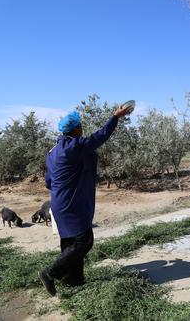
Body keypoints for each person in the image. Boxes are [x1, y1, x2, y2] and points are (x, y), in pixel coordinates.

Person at [39, 105, 131, 296]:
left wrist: (63, 187)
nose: (82, 130)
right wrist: (115, 117)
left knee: (69, 242)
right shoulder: (75, 146)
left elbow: (49, 181)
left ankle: (74, 281)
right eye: (80, 127)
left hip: (58, 202)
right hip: (73, 203)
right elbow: (100, 136)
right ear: (76, 129)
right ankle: (51, 272)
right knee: (84, 242)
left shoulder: (52, 151)